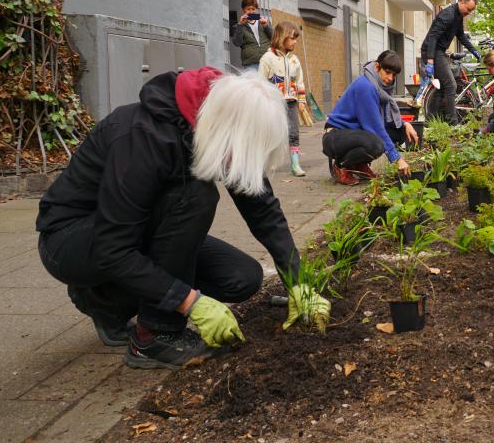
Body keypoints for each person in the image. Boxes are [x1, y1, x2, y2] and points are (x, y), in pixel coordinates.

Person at [36, 69, 328, 370]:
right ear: (229, 133)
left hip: (133, 233)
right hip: (71, 242)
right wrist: (189, 301)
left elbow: (263, 209)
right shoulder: (143, 137)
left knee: (242, 278)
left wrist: (298, 282)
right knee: (196, 197)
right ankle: (153, 336)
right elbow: (114, 248)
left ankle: (107, 300)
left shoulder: (215, 119)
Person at [322, 51, 418, 185]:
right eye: (387, 72)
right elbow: (375, 127)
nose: (390, 78)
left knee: (398, 131)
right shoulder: (366, 87)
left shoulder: (378, 86)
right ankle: (342, 166)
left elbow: (380, 119)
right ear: (377, 67)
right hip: (335, 136)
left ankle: (359, 164)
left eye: (394, 75)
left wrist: (404, 124)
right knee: (376, 144)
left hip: (354, 133)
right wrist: (397, 159)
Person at [421, 0, 482, 123]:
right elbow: (433, 37)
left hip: (439, 51)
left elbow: (461, 36)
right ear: (462, 2)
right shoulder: (447, 15)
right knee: (451, 85)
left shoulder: (458, 16)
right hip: (433, 50)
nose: (469, 13)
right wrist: (430, 60)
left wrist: (473, 50)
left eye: (471, 10)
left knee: (442, 88)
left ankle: (432, 119)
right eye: (469, 9)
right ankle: (452, 122)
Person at [260, 22, 307, 177]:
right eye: (292, 38)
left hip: (291, 102)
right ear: (282, 37)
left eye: (296, 39)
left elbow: (299, 81)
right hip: (274, 103)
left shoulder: (295, 60)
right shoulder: (268, 58)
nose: (294, 42)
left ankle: (295, 164)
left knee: (293, 132)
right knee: (273, 133)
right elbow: (260, 81)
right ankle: (268, 162)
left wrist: (301, 100)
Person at [231, 0, 272, 71]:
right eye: (248, 9)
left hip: (267, 61)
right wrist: (240, 24)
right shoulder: (238, 26)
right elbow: (237, 43)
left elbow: (274, 38)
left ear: (256, 10)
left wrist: (266, 26)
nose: (251, 11)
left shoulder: (264, 22)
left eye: (253, 9)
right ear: (243, 10)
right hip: (251, 63)